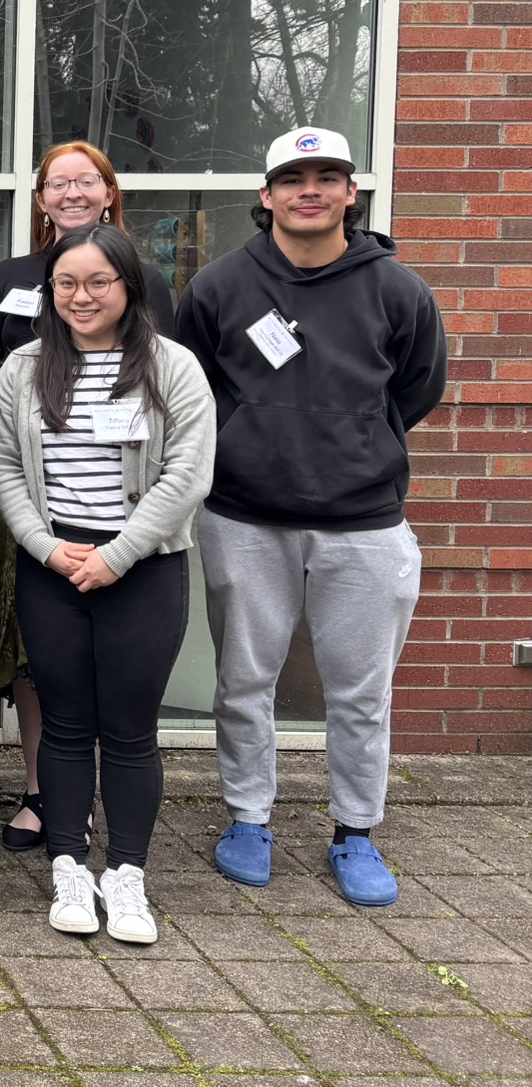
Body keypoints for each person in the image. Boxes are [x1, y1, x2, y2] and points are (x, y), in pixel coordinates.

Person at [177, 128, 446, 908]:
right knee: (244, 679)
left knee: (360, 690)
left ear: (349, 195)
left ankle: (355, 830)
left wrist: (356, 441)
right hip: (244, 517)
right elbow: (196, 390)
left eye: (328, 177)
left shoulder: (398, 290)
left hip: (364, 520)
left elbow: (415, 389)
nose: (310, 190)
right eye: (293, 178)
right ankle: (248, 820)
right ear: (265, 196)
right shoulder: (221, 287)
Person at [0, 224, 215, 945]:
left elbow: (187, 474)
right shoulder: (22, 368)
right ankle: (68, 865)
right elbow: (5, 470)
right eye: (67, 284)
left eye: (98, 283)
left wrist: (118, 554)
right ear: (49, 291)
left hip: (142, 572)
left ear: (128, 287)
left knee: (128, 729)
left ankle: (127, 874)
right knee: (63, 723)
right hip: (53, 568)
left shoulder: (171, 366)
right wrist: (48, 549)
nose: (81, 297)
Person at [0, 142, 177, 853]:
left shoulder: (152, 306)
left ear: (110, 192)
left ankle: (109, 825)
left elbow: (178, 441)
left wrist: (122, 548)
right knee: (42, 672)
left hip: (132, 538)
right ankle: (47, 799)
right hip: (36, 519)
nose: (71, 192)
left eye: (85, 180)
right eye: (56, 182)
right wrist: (38, 536)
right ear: (40, 199)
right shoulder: (12, 281)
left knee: (116, 694)